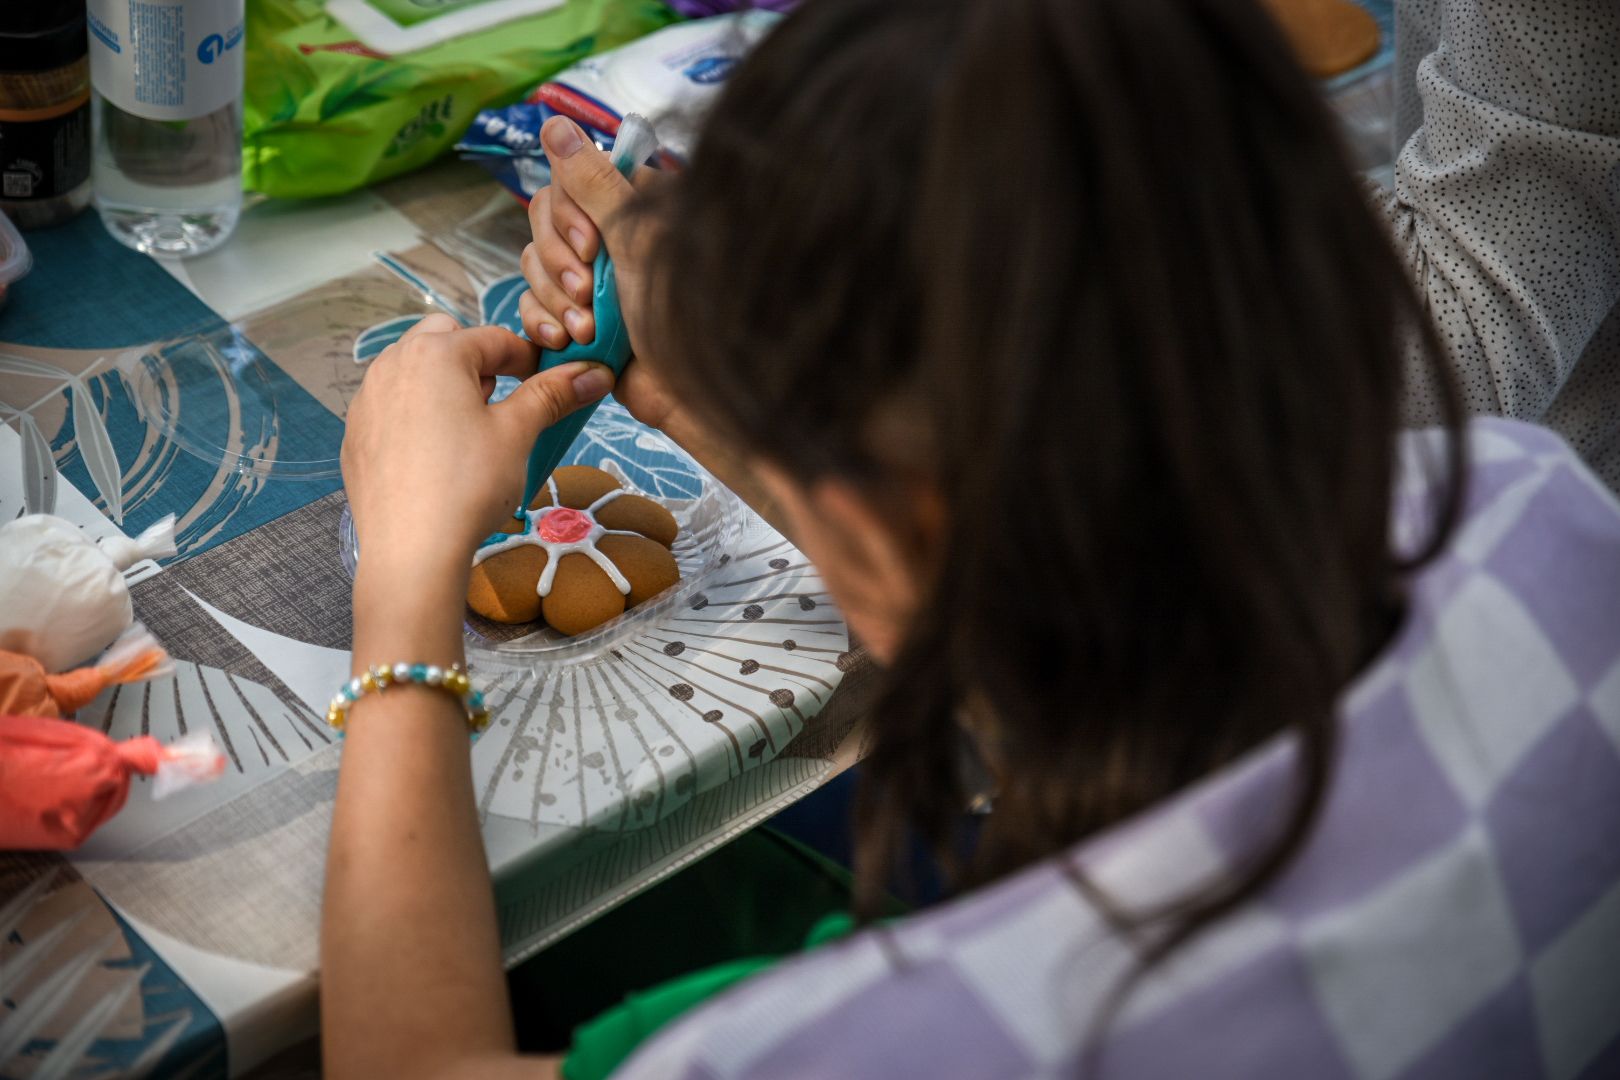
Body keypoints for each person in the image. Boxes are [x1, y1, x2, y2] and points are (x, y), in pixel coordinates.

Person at [326, 0, 1620, 1077]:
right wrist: (763, 399)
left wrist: (405, 580)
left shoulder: (880, 1044)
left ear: (886, 529)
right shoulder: (1541, 516)